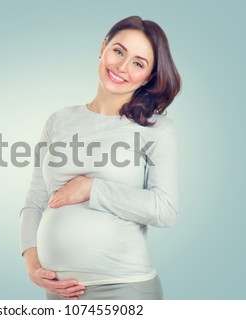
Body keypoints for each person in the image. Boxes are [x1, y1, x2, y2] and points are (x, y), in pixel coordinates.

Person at [19, 16, 181, 300]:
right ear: (103, 47)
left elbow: (164, 209)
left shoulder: (155, 129)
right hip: (59, 290)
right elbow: (34, 200)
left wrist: (92, 189)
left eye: (138, 63)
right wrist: (32, 265)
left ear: (149, 77)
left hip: (124, 287)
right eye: (119, 51)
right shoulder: (58, 120)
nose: (121, 67)